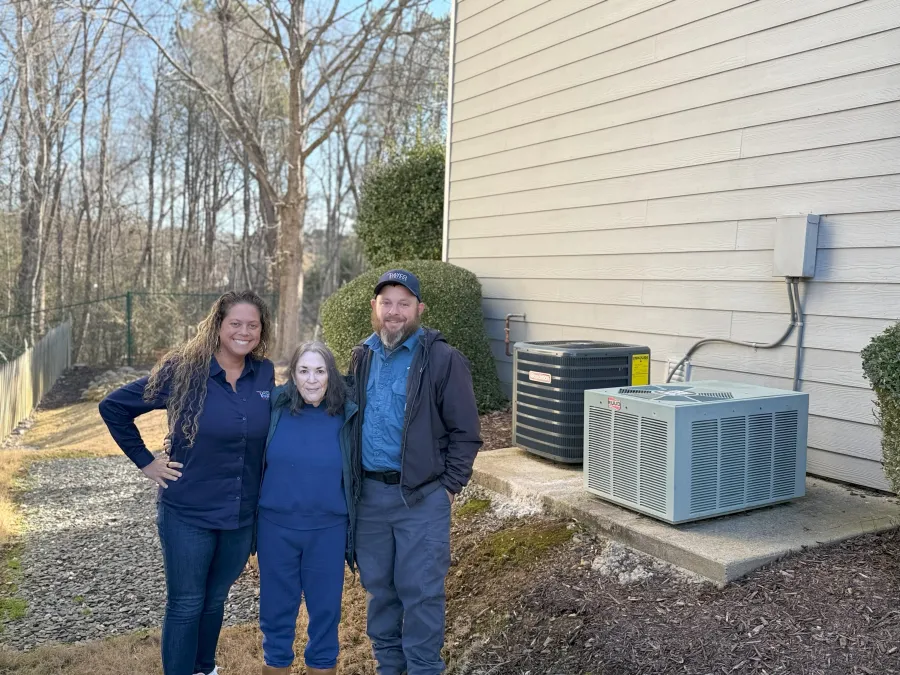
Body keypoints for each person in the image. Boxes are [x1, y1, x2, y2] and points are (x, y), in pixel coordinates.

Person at [98, 291, 275, 675]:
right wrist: (146, 462)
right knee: (187, 602)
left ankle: (204, 668)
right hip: (188, 511)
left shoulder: (264, 374)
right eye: (236, 324)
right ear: (218, 325)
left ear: (262, 331)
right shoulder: (184, 371)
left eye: (253, 325)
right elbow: (113, 407)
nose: (244, 332)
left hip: (240, 514)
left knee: (215, 600)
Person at [349, 269, 483, 675]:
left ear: (419, 309)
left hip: (421, 500)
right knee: (380, 593)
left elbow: (466, 432)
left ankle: (424, 668)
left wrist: (448, 488)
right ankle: (389, 668)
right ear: (374, 308)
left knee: (421, 594)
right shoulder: (362, 356)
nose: (394, 312)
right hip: (370, 498)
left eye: (403, 303)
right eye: (386, 303)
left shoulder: (442, 359)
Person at [256, 341, 358, 675]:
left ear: (331, 375)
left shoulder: (348, 413)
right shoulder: (274, 408)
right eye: (303, 371)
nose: (311, 379)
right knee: (276, 615)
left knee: (326, 615)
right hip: (276, 528)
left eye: (319, 370)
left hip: (327, 530)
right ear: (292, 376)